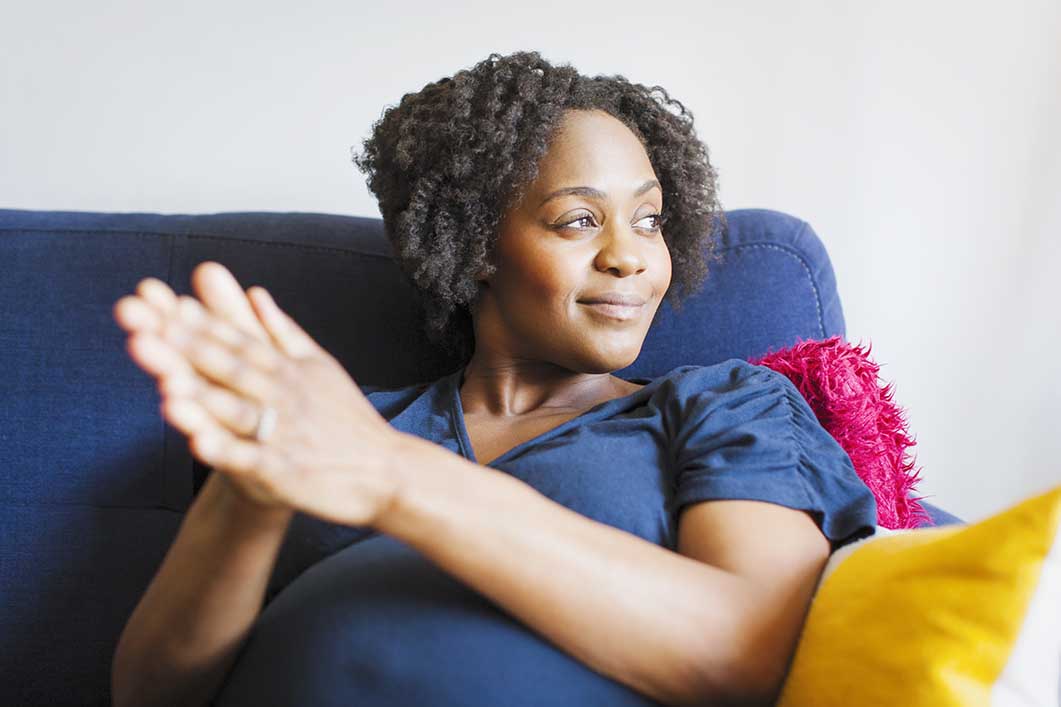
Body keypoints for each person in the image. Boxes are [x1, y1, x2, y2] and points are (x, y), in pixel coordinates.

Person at [110, 51, 877, 707]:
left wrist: (397, 480)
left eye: (648, 220)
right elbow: (154, 692)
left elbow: (753, 652)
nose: (630, 256)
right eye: (578, 220)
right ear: (475, 245)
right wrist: (250, 491)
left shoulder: (722, 405)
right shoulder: (328, 424)